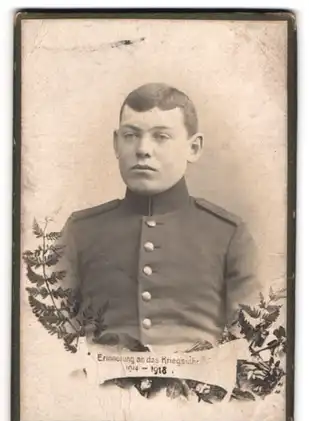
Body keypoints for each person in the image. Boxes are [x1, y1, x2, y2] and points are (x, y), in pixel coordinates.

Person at [61, 82, 259, 351]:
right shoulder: (80, 231)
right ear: (116, 144)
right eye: (131, 135)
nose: (143, 149)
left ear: (194, 148)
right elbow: (51, 341)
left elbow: (252, 345)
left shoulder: (228, 234)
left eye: (161, 137)